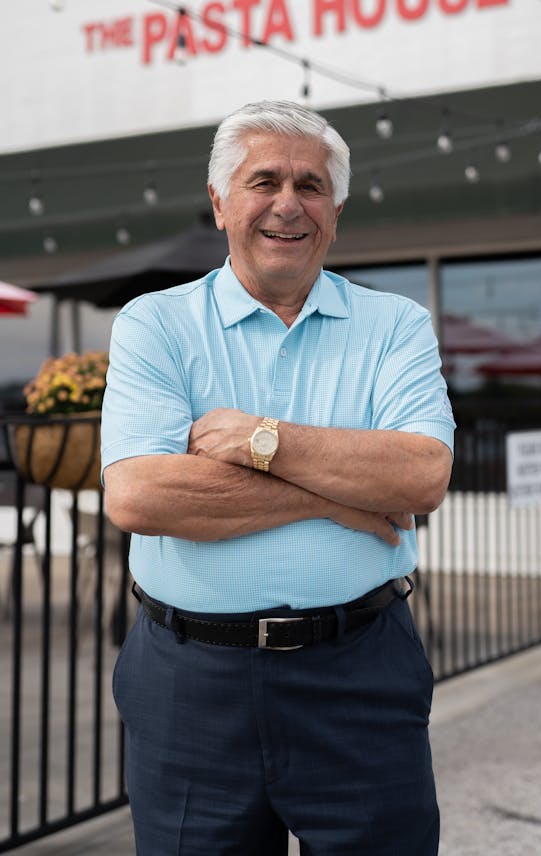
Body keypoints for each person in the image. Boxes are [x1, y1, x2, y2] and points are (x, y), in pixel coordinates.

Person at [102, 100, 455, 856]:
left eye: (312, 185)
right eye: (264, 181)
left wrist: (258, 440)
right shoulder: (154, 324)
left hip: (360, 671)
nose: (289, 204)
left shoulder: (396, 325)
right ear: (221, 201)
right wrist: (346, 497)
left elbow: (421, 476)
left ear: (336, 210)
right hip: (188, 686)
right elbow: (139, 495)